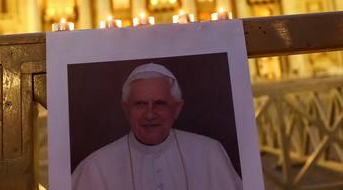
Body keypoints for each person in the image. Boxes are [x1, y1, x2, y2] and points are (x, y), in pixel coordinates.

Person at [72, 63, 243, 190]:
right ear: (126, 109)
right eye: (140, 104)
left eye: (160, 103)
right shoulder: (95, 167)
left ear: (177, 109)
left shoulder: (210, 153)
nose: (150, 114)